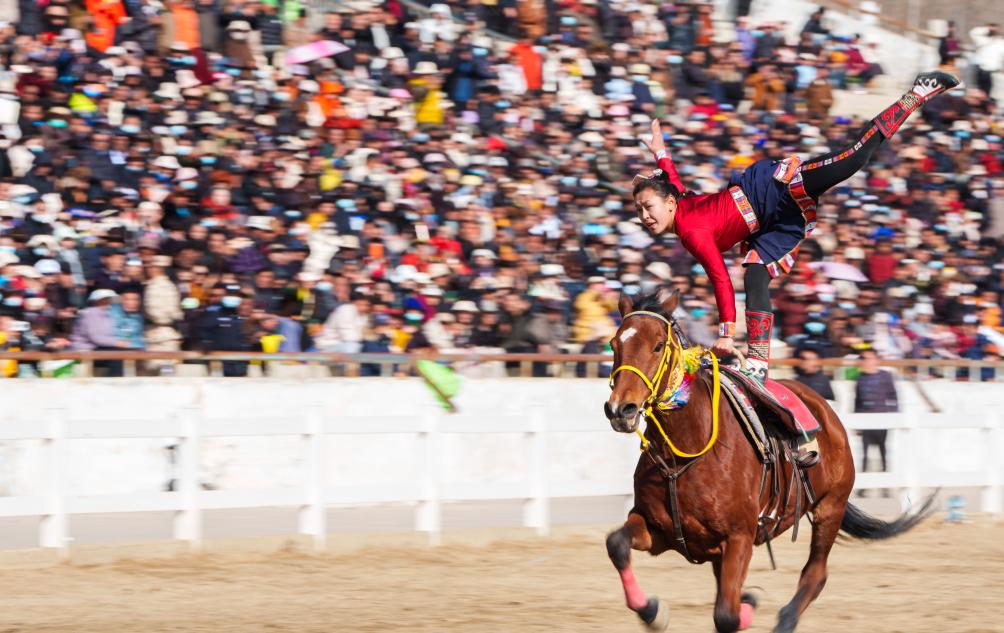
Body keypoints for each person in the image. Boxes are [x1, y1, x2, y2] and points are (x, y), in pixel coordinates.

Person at [631, 70, 960, 386]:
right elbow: (673, 183)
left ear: (669, 203)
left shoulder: (691, 231)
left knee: (854, 158)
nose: (644, 215)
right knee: (756, 273)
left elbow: (720, 278)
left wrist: (727, 333)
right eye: (639, 209)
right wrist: (661, 153)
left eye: (648, 206)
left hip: (774, 188)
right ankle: (758, 364)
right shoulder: (680, 204)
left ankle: (916, 94)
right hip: (767, 223)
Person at [854, 347, 898, 475]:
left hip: (882, 418)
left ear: (877, 360)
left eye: (868, 358)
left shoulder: (886, 376)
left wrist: (893, 416)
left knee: (882, 448)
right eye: (863, 358)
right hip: (864, 419)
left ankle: (885, 476)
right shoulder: (860, 378)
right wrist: (856, 422)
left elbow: (893, 397)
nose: (865, 361)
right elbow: (857, 401)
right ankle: (863, 478)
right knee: (864, 450)